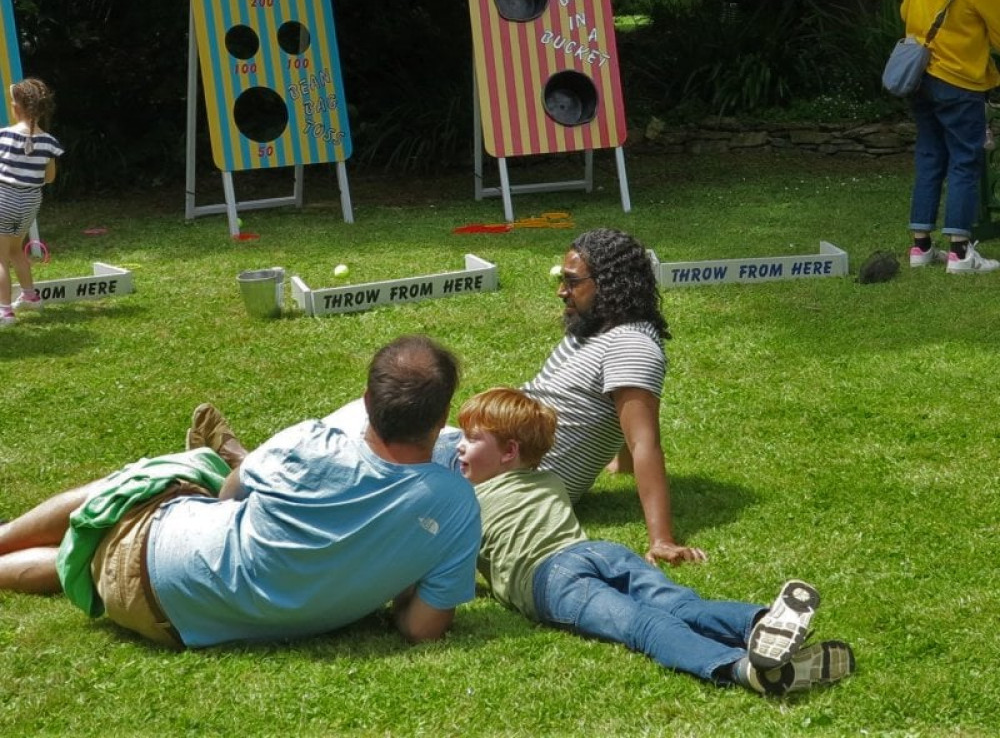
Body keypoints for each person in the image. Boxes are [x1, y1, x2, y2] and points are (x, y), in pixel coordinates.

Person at [0, 335, 481, 650]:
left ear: (368, 401)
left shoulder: (312, 441)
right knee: (91, 556)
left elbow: (229, 495)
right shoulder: (457, 505)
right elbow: (422, 629)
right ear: (442, 419)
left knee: (157, 480)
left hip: (162, 553)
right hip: (169, 622)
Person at [313, 228, 704, 567]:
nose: (561, 291)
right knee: (361, 420)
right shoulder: (600, 328)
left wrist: (661, 539)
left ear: (611, 284)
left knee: (359, 441)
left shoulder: (630, 346)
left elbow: (643, 438)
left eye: (572, 281)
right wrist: (619, 462)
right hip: (487, 449)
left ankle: (267, 478)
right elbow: (622, 415)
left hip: (503, 470)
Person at [456, 387, 855, 697]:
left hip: (549, 582)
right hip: (597, 550)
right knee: (682, 604)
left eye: (471, 439)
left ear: (509, 451)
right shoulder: (549, 480)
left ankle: (739, 668)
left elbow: (448, 563)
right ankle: (761, 622)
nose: (459, 446)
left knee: (643, 625)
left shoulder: (466, 503)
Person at [902, 0, 1000, 273]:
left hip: (920, 75)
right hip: (959, 82)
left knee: (930, 158)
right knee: (965, 160)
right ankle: (960, 252)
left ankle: (921, 248)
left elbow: (906, 13)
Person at [0, 78, 63, 324]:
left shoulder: (3, 136)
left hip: (4, 198)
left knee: (0, 257)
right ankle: (30, 297)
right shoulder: (49, 142)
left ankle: (4, 312)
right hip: (30, 202)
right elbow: (49, 178)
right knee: (16, 250)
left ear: (16, 107)